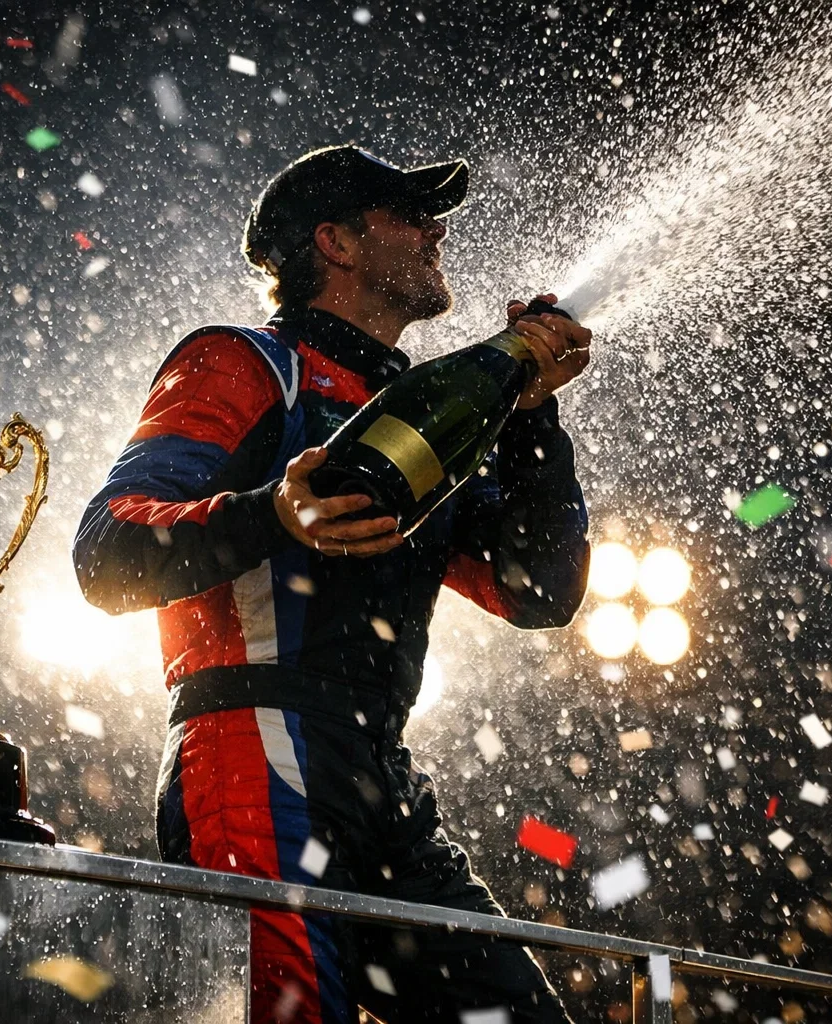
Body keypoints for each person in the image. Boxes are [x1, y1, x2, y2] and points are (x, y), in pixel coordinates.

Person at [74, 145, 592, 1023]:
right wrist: (274, 515)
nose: (436, 231)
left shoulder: (424, 404)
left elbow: (539, 592)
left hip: (384, 775)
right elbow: (106, 551)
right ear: (337, 243)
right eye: (406, 213)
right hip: (249, 751)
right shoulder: (240, 362)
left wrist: (534, 419)